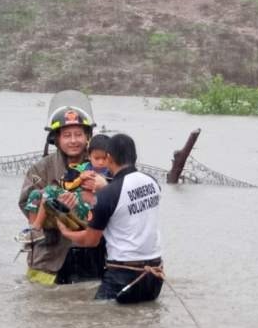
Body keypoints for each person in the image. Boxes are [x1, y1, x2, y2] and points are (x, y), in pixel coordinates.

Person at [57, 133, 164, 304]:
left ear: (109, 158)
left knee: (97, 318)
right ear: (135, 156)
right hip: (155, 275)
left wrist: (66, 232)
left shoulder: (107, 195)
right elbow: (130, 207)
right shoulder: (153, 183)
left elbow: (90, 241)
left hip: (123, 274)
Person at [18, 104, 107, 285]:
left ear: (88, 137)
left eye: (78, 135)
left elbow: (120, 199)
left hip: (92, 251)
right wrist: (56, 204)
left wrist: (96, 192)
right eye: (67, 135)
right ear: (56, 139)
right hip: (50, 255)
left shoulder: (100, 164)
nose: (73, 141)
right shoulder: (41, 168)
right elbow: (26, 202)